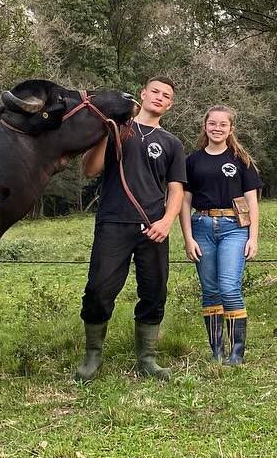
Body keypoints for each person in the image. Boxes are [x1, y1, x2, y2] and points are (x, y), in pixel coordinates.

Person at [74, 76, 186, 381]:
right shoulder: (119, 130)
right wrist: (107, 134)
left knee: (154, 291)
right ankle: (92, 356)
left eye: (166, 95)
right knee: (98, 290)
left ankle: (147, 358)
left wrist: (166, 222)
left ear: (170, 104)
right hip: (113, 222)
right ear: (143, 94)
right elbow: (89, 169)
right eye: (155, 92)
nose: (160, 97)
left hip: (153, 227)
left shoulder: (172, 143)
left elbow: (176, 189)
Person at [181, 105, 262, 365]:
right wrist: (187, 237)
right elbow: (184, 202)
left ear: (231, 129)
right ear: (205, 126)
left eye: (222, 125)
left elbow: (252, 202)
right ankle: (216, 351)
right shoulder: (192, 161)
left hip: (234, 228)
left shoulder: (241, 159)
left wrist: (253, 237)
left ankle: (237, 352)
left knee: (229, 287)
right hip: (202, 226)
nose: (217, 128)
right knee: (210, 290)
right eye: (212, 124)